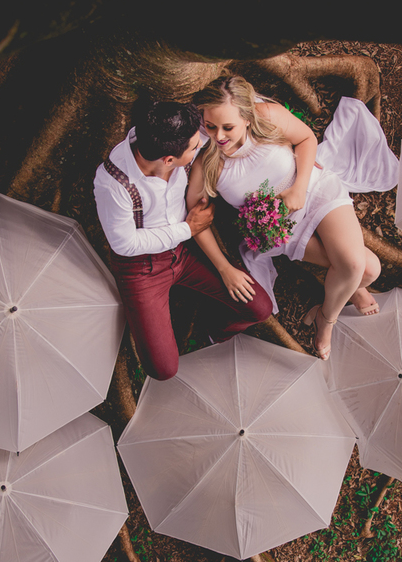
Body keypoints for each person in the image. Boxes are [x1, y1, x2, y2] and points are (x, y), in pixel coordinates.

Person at [189, 75, 396, 360]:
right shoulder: (207, 163)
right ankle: (347, 290)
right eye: (211, 126)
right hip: (279, 227)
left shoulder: (267, 116)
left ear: (247, 118)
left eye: (228, 127)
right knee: (366, 269)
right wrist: (224, 268)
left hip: (314, 189)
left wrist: (299, 187)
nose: (219, 136)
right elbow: (197, 222)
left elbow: (306, 138)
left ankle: (326, 318)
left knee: (362, 268)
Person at [93, 101, 272, 381]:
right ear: (168, 160)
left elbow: (235, 114)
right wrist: (188, 229)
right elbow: (124, 244)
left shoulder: (176, 133)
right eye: (194, 148)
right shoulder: (113, 182)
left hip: (184, 253)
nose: (202, 144)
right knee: (163, 370)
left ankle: (213, 334)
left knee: (259, 308)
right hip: (142, 270)